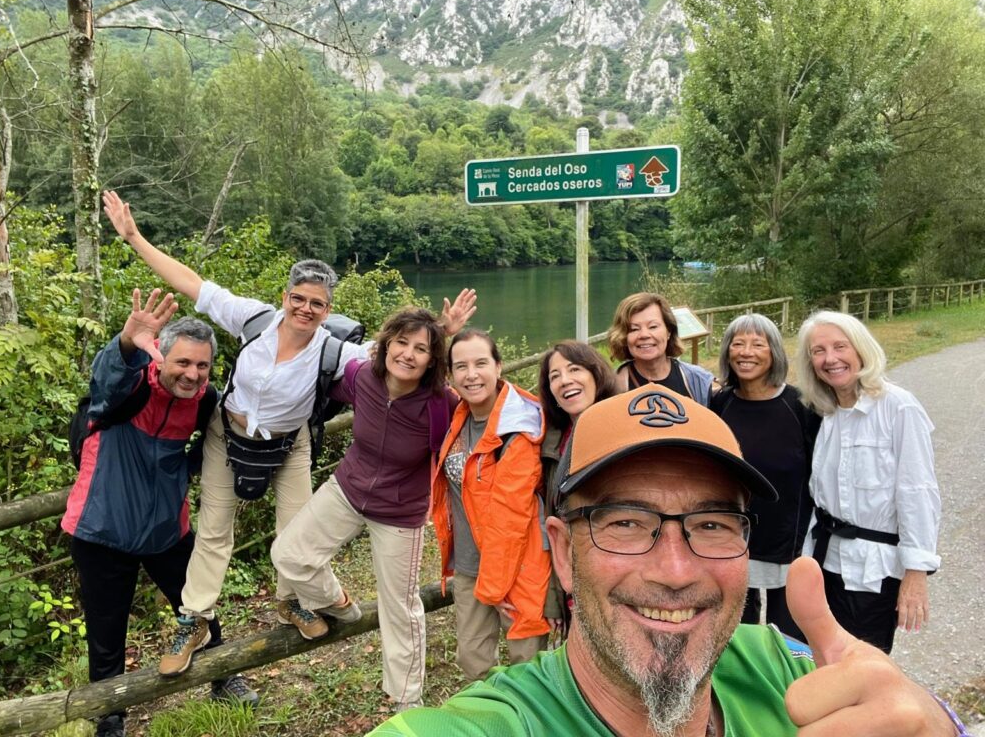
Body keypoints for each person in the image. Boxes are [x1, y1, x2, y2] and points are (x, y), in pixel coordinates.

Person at [368, 384, 968, 737]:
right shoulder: (500, 723)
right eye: (626, 523)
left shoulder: (780, 666)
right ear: (566, 554)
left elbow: (898, 710)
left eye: (711, 525)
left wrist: (938, 726)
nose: (675, 571)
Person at [103, 190, 373, 677]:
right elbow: (191, 283)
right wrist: (134, 237)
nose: (306, 310)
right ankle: (195, 619)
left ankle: (292, 602)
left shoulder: (334, 351)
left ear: (328, 308)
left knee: (296, 532)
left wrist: (443, 330)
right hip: (225, 437)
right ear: (285, 297)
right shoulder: (254, 319)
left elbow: (395, 354)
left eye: (318, 303)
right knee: (213, 534)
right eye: (299, 299)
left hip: (289, 445)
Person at [62, 289, 256, 737]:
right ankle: (109, 715)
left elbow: (214, 445)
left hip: (168, 527)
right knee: (106, 630)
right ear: (160, 358)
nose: (192, 375)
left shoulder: (203, 401)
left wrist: (182, 472)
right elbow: (106, 377)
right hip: (101, 529)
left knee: (198, 607)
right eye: (182, 363)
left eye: (202, 366)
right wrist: (127, 343)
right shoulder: (127, 388)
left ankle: (223, 677)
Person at [270, 306, 466, 713]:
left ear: (434, 360)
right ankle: (340, 603)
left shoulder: (440, 403)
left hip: (401, 511)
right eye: (401, 342)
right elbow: (313, 378)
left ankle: (406, 701)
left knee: (400, 607)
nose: (408, 354)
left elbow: (481, 418)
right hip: (348, 487)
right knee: (288, 554)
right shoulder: (363, 378)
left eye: (422, 349)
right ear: (386, 343)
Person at [795, 310, 941, 654]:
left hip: (873, 569)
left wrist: (916, 573)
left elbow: (918, 491)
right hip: (826, 560)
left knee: (865, 667)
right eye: (819, 351)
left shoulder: (898, 408)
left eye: (839, 347)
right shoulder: (826, 413)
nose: (830, 359)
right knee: (820, 659)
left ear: (860, 349)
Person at [431, 329, 551, 681]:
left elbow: (511, 516)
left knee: (527, 667)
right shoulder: (460, 415)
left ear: (498, 366)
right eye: (461, 366)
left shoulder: (519, 427)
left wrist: (495, 587)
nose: (472, 374)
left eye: (481, 363)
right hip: (471, 564)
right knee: (472, 660)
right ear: (450, 375)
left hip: (518, 567)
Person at [709, 314, 820, 639]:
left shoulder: (800, 407)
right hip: (732, 540)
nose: (746, 352)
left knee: (788, 637)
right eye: (738, 343)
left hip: (788, 542)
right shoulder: (719, 405)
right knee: (736, 635)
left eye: (758, 344)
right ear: (728, 351)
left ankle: (790, 690)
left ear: (773, 352)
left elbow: (819, 476)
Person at [536, 341, 618, 638]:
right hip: (575, 577)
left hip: (619, 571)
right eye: (554, 376)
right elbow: (553, 524)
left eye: (574, 369)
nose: (565, 380)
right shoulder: (552, 443)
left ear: (596, 374)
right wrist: (555, 597)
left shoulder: (624, 427)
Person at [607, 292, 715, 405]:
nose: (644, 335)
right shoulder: (613, 386)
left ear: (669, 331)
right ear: (623, 337)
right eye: (634, 329)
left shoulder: (698, 380)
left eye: (653, 326)